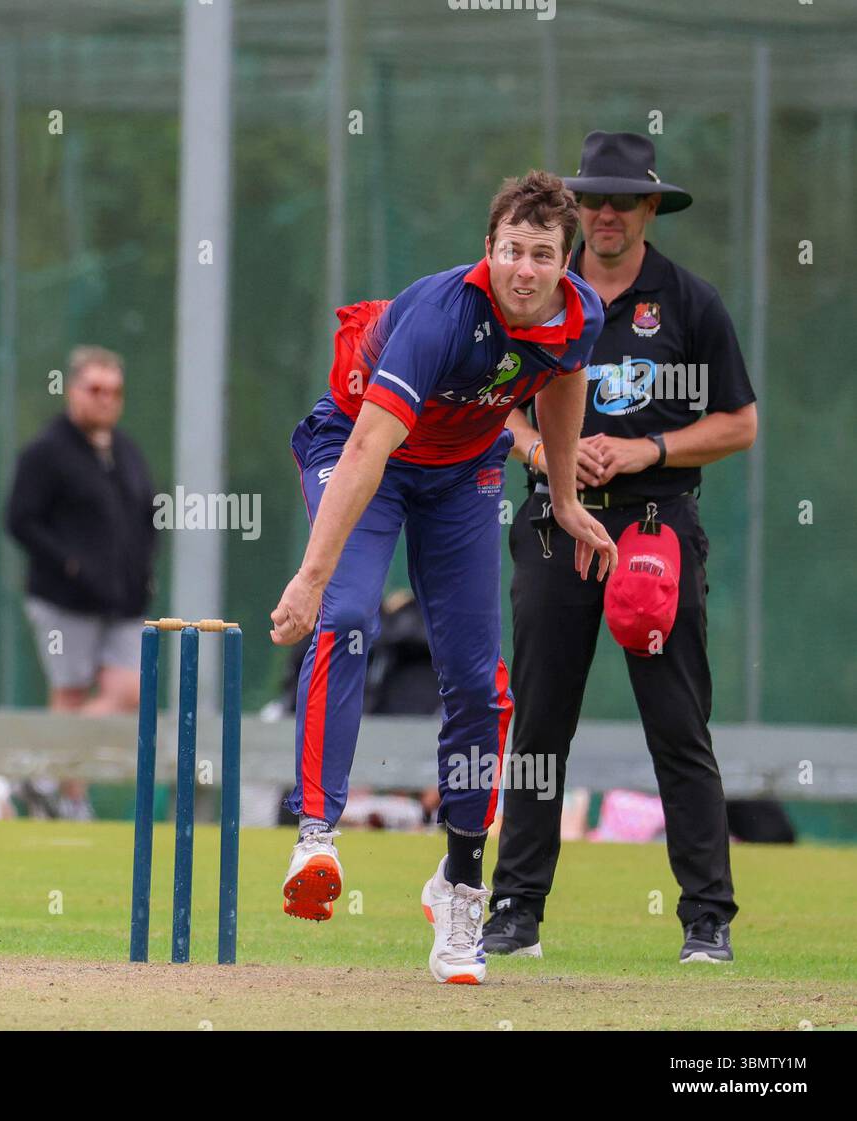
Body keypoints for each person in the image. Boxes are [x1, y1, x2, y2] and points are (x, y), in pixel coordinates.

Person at [269, 170, 614, 985]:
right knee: (347, 615)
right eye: (510, 251)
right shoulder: (443, 315)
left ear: (564, 264)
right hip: (363, 452)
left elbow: (564, 383)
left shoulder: (579, 314)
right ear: (486, 250)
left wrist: (564, 497)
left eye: (541, 254)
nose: (524, 270)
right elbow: (367, 449)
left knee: (477, 682)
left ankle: (460, 883)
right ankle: (316, 832)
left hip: (464, 474)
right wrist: (309, 579)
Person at [484, 132, 758, 965]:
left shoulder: (688, 301)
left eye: (622, 200)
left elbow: (741, 422)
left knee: (678, 725)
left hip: (653, 528)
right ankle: (516, 912)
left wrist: (650, 449)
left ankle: (707, 918)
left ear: (648, 208)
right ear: (576, 212)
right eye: (593, 200)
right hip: (556, 525)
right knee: (539, 724)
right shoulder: (538, 294)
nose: (605, 213)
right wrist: (545, 457)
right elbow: (499, 405)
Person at [6, 346, 157, 714]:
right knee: (70, 695)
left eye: (114, 392)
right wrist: (71, 564)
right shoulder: (45, 452)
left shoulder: (127, 451)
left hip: (124, 602)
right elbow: (20, 520)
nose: (106, 400)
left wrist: (143, 574)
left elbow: (146, 515)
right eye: (95, 390)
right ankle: (50, 769)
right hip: (65, 602)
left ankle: (44, 768)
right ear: (72, 391)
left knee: (131, 692)